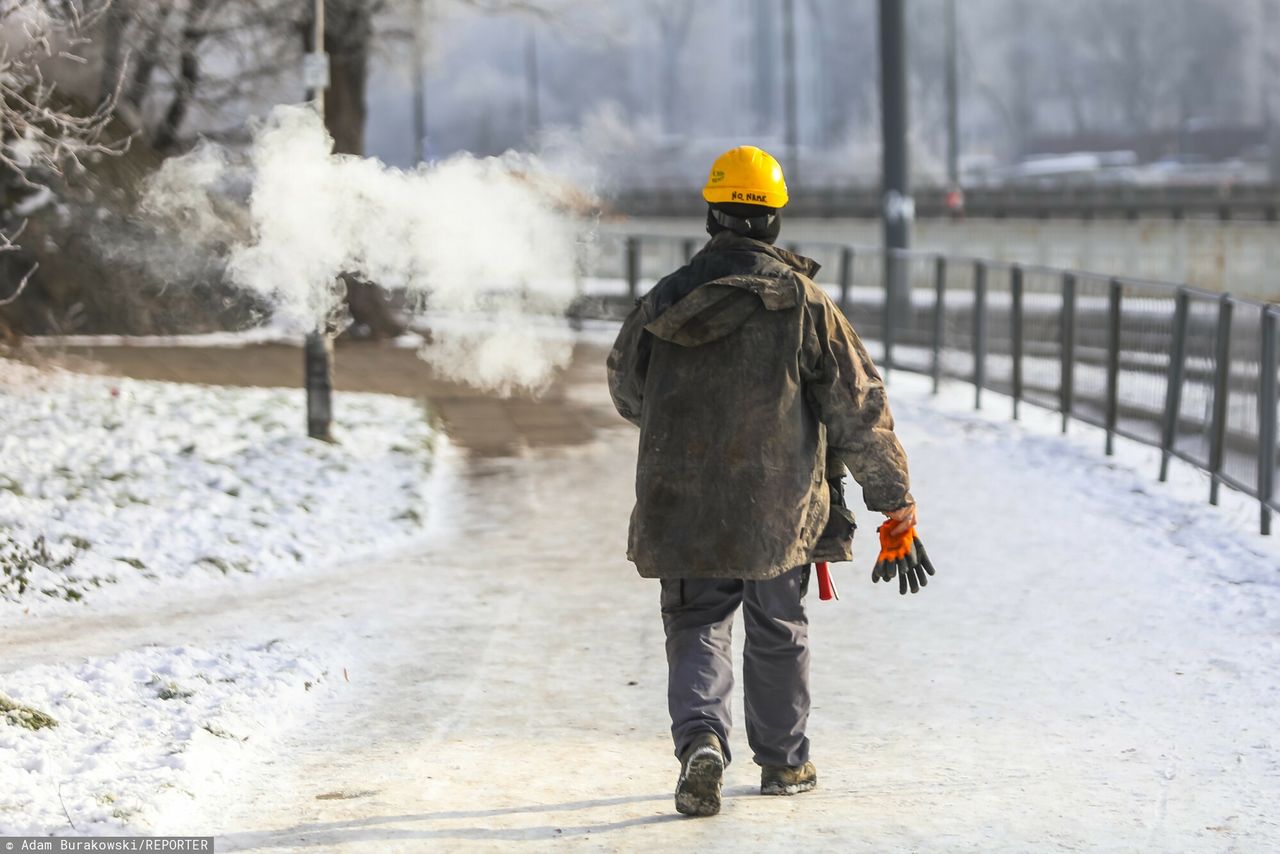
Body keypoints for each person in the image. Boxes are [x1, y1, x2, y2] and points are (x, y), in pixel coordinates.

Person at [607, 145, 921, 818]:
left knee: (696, 623)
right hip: (781, 507)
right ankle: (783, 764)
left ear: (711, 215)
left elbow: (628, 391)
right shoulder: (804, 304)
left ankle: (701, 743)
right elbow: (858, 410)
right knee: (778, 625)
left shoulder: (665, 300)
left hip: (682, 502)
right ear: (774, 223)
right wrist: (894, 508)